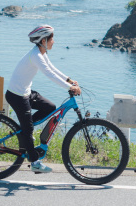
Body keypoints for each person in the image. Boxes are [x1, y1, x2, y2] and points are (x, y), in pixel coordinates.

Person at [5, 25, 81, 174]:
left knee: (50, 107)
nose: (54, 41)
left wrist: (69, 80)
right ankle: (34, 162)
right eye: (52, 39)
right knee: (28, 130)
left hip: (26, 92)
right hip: (17, 96)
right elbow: (49, 75)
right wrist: (69, 88)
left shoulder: (42, 52)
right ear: (44, 40)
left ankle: (25, 131)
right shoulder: (36, 56)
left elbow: (52, 68)